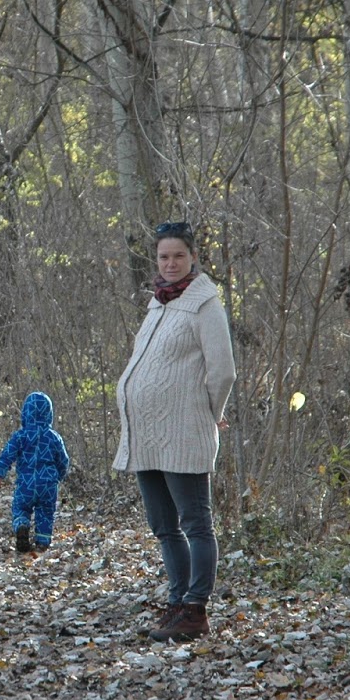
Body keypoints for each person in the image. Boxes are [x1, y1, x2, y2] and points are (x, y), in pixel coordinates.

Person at [114, 220, 236, 642]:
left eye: (178, 256)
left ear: (193, 258)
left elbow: (223, 370)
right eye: (164, 256)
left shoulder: (205, 305)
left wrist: (210, 412)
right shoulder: (159, 303)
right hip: (146, 437)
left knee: (196, 524)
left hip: (184, 433)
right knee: (164, 527)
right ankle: (177, 602)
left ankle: (196, 610)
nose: (170, 263)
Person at [0, 391, 71, 553]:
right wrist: (59, 475)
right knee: (46, 513)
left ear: (25, 413)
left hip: (26, 483)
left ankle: (22, 525)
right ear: (49, 414)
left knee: (20, 508)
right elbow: (63, 460)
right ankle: (42, 541)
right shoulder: (54, 437)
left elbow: (7, 454)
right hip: (47, 484)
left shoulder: (20, 436)